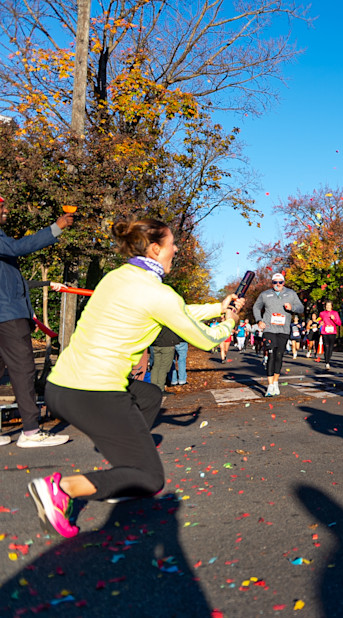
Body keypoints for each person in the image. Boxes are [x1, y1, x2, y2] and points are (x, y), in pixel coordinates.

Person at [30, 218, 243, 537]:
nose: (176, 250)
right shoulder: (158, 294)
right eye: (172, 244)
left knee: (149, 396)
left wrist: (217, 307)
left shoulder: (118, 278)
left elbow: (178, 311)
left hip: (61, 386)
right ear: (156, 249)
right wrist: (229, 322)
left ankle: (124, 469)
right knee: (152, 479)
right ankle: (63, 488)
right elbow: (207, 339)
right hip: (94, 391)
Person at [0, 197, 74, 448]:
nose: (6, 209)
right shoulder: (3, 242)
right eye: (1, 207)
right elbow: (19, 248)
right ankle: (30, 432)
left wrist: (43, 284)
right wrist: (57, 227)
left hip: (5, 314)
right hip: (8, 316)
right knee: (23, 371)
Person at [252, 272, 304, 396]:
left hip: (284, 330)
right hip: (269, 329)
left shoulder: (291, 293)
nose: (278, 284)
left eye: (280, 282)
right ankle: (270, 386)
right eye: (275, 282)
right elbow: (256, 307)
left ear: (284, 283)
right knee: (270, 354)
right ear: (272, 283)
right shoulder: (265, 294)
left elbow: (301, 308)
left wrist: (292, 308)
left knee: (279, 356)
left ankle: (275, 382)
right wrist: (259, 320)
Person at [318, 301, 341, 369]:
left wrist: (334, 319)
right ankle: (327, 361)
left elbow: (339, 323)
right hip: (325, 332)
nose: (328, 307)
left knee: (331, 347)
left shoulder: (335, 313)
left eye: (329, 305)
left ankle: (328, 359)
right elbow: (319, 320)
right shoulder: (322, 313)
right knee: (326, 346)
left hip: (332, 332)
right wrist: (320, 322)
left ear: (332, 306)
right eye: (327, 305)